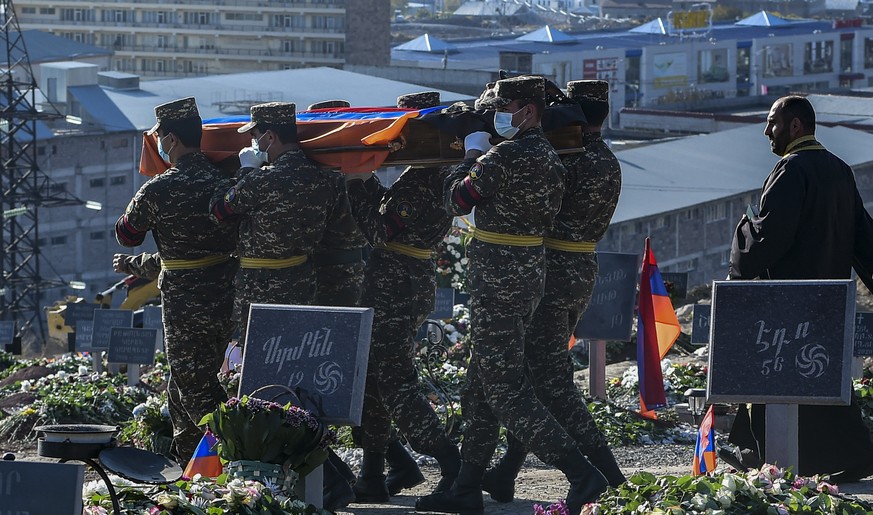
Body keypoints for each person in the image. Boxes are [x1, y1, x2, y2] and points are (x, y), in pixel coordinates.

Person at [416, 76, 608, 515]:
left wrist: (468, 153)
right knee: (480, 384)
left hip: (500, 281)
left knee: (505, 389)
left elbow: (457, 200)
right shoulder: (548, 154)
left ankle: (581, 474)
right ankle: (467, 485)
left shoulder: (505, 156)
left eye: (506, 107)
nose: (500, 116)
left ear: (529, 111)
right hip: (524, 278)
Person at [481, 80, 626, 503]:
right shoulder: (607, 160)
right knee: (540, 374)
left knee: (550, 381)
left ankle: (608, 477)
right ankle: (507, 470)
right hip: (580, 268)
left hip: (554, 272)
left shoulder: (571, 160)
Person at [209, 101, 356, 510]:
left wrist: (246, 171)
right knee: (297, 383)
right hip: (303, 286)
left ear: (269, 138)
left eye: (256, 136)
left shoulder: (261, 181)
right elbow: (341, 230)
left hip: (260, 293)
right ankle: (331, 474)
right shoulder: (324, 180)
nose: (254, 143)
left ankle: (328, 478)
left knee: (262, 388)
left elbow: (220, 211)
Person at [726, 94, 873, 482]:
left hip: (788, 307)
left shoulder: (791, 170)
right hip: (829, 301)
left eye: (772, 123)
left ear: (795, 126)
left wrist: (744, 229)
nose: (766, 131)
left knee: (774, 381)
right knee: (823, 385)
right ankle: (853, 455)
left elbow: (769, 239)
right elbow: (864, 237)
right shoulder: (839, 169)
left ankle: (763, 459)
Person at [344, 91, 460, 502]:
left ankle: (450, 462)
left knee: (393, 381)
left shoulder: (424, 179)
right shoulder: (431, 173)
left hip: (396, 285)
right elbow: (388, 211)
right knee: (375, 377)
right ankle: (374, 472)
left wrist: (355, 181)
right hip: (403, 280)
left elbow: (380, 229)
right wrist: (368, 182)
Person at [115, 97, 238, 462]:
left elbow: (127, 234)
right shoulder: (225, 181)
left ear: (169, 140)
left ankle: (237, 450)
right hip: (226, 291)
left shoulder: (159, 189)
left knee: (195, 386)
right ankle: (190, 463)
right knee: (181, 383)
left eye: (160, 139)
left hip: (185, 300)